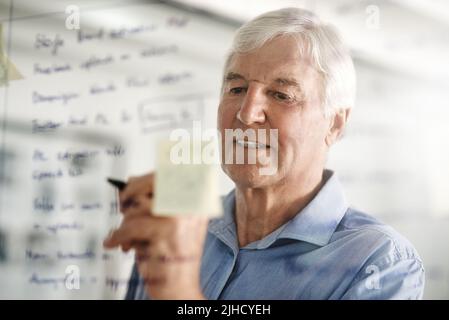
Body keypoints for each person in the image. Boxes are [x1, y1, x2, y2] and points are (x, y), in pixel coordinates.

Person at [103, 8, 424, 300]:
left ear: (335, 124)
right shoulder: (178, 235)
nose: (246, 113)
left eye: (282, 95)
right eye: (237, 89)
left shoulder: (379, 262)